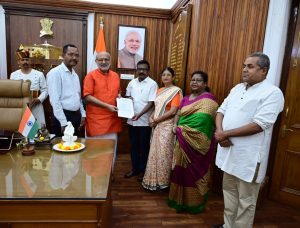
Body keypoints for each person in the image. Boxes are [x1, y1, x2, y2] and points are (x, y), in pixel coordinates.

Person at [214, 52, 284, 228]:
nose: (245, 69)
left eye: (250, 66)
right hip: (229, 152)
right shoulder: (237, 88)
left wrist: (225, 134)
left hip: (249, 158)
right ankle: (227, 226)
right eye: (244, 65)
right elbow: (221, 111)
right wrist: (220, 131)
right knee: (229, 194)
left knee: (246, 201)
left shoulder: (272, 93)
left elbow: (259, 125)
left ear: (264, 70)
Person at [168, 71, 218, 213]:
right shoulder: (186, 98)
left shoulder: (209, 100)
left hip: (198, 147)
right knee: (180, 171)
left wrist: (181, 129)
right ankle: (178, 200)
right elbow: (178, 113)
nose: (194, 82)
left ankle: (194, 203)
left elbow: (204, 122)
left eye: (198, 80)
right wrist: (175, 125)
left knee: (192, 174)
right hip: (182, 143)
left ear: (205, 84)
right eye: (193, 80)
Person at [142, 67, 182, 191]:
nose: (165, 77)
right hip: (157, 125)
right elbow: (156, 108)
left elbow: (173, 111)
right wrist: (151, 118)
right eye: (163, 74)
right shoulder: (159, 90)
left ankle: (163, 182)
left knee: (164, 154)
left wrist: (157, 120)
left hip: (167, 126)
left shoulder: (176, 91)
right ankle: (152, 181)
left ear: (173, 77)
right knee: (154, 154)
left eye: (168, 75)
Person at [83, 51, 122, 169]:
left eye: (106, 59)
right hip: (96, 122)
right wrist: (106, 106)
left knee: (111, 151)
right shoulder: (90, 76)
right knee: (95, 153)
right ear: (96, 61)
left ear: (110, 61)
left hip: (112, 120)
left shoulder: (115, 75)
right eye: (100, 59)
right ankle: (96, 176)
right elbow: (87, 96)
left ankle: (109, 175)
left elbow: (118, 91)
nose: (103, 62)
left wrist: (119, 96)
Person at [124, 60, 158, 181]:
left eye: (144, 69)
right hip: (131, 120)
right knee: (133, 146)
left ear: (148, 71)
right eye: (139, 69)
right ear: (136, 70)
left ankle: (143, 171)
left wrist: (139, 114)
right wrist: (123, 103)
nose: (141, 71)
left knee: (143, 147)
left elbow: (151, 103)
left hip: (144, 121)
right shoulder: (132, 82)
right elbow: (128, 98)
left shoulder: (153, 84)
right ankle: (135, 169)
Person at [47, 44, 86, 137]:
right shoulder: (55, 73)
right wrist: (63, 122)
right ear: (63, 55)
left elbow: (78, 97)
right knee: (61, 148)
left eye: (76, 55)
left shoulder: (75, 75)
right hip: (62, 117)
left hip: (76, 117)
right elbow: (55, 100)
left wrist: (83, 114)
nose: (74, 57)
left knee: (75, 147)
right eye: (70, 54)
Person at [10, 47, 48, 126]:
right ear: (18, 62)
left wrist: (39, 99)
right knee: (24, 131)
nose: (25, 62)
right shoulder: (13, 75)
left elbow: (45, 90)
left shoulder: (39, 74)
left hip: (36, 106)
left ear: (30, 61)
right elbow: (12, 92)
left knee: (38, 132)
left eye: (27, 60)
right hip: (21, 107)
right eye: (22, 60)